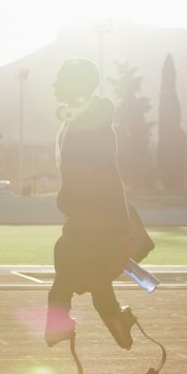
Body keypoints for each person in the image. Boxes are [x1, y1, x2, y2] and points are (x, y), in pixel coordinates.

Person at [44, 58, 154, 351]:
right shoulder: (78, 120)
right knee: (91, 275)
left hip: (93, 215)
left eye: (61, 80)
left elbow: (109, 172)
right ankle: (115, 323)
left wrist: (120, 221)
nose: (55, 86)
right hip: (86, 214)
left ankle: (60, 326)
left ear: (77, 85)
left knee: (69, 272)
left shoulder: (92, 126)